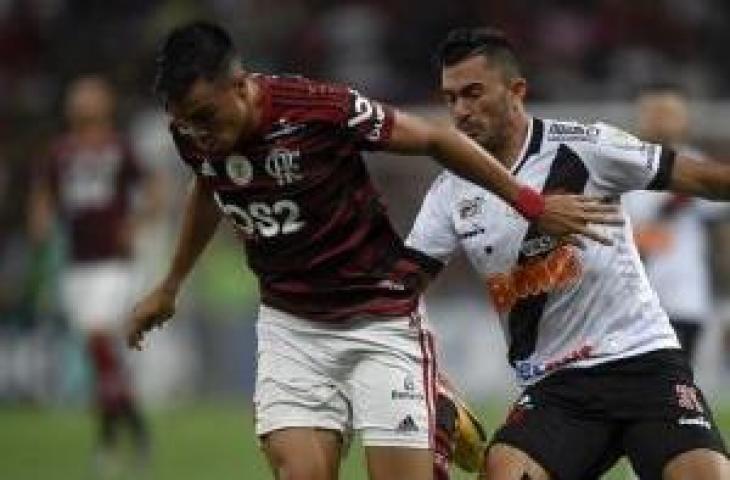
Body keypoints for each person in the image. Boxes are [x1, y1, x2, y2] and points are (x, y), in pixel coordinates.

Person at [126, 22, 618, 480]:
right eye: (186, 125)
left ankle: (438, 411)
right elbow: (209, 183)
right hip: (290, 324)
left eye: (205, 118)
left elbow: (434, 140)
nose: (199, 134)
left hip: (377, 316)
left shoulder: (318, 109)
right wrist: (170, 284)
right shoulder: (196, 134)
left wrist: (529, 203)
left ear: (240, 86)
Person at [406, 28, 730, 480]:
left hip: (645, 362)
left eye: (473, 94)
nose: (461, 111)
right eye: (451, 98)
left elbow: (703, 180)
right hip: (557, 387)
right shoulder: (449, 191)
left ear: (516, 91)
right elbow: (402, 286)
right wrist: (424, 373)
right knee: (502, 471)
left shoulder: (586, 145)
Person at [29, 76, 158, 473]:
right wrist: (41, 215)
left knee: (100, 341)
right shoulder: (61, 151)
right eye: (76, 96)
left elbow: (154, 186)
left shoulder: (119, 147)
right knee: (102, 358)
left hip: (115, 263)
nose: (80, 102)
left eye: (88, 95)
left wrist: (135, 222)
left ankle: (108, 441)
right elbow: (45, 193)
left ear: (105, 102)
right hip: (76, 264)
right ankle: (133, 429)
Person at [624, 83, 729, 363]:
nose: (661, 119)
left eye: (669, 112)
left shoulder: (700, 166)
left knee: (676, 378)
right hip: (628, 299)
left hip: (685, 295)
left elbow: (721, 237)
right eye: (654, 112)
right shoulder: (618, 162)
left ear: (685, 118)